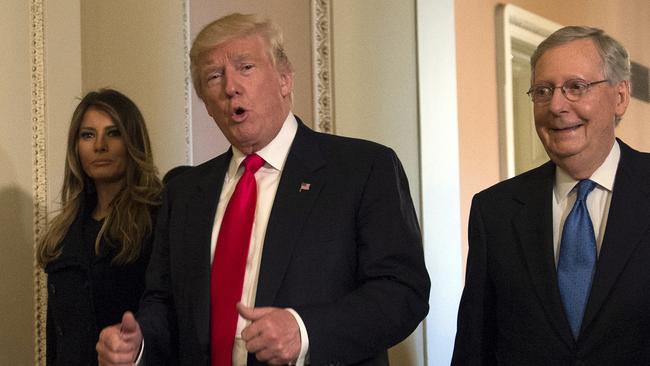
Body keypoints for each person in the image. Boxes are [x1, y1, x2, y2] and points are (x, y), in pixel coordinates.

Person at [96, 13, 430, 366]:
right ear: (207, 104)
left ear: (285, 79)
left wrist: (303, 332)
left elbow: (402, 292)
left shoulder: (361, 169)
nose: (230, 87)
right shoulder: (184, 193)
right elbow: (164, 303)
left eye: (246, 67)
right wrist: (138, 346)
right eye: (214, 76)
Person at [452, 26, 650, 365]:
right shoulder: (495, 211)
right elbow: (475, 344)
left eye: (576, 87)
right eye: (543, 91)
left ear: (619, 97)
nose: (556, 105)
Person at [37, 89, 163, 365]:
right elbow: (57, 337)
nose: (99, 146)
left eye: (113, 133)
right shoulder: (65, 230)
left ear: (133, 142)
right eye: (88, 135)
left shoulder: (157, 218)